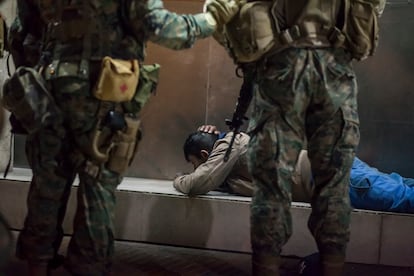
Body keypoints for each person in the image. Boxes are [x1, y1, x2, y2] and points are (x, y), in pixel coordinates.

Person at [4, 1, 240, 275]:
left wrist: (44, 75)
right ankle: (87, 267)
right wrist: (212, 19)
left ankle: (37, 265)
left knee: (47, 185)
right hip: (104, 99)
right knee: (98, 189)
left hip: (48, 94)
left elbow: (21, 36)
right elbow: (168, 30)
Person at [211, 1, 386, 275]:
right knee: (334, 186)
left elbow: (222, 13)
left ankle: (266, 268)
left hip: (281, 69)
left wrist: (250, 52)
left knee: (271, 186)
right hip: (334, 71)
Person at [175, 125, 414, 214]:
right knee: (403, 188)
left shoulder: (231, 142)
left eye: (194, 164)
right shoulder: (233, 162)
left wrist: (180, 179)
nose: (195, 170)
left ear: (206, 156)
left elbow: (198, 183)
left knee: (403, 199)